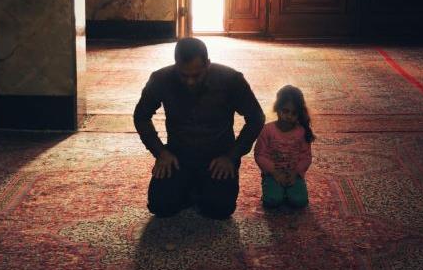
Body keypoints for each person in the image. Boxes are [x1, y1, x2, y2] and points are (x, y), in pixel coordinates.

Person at [134, 37, 265, 220]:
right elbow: (141, 116)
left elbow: (256, 118)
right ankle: (191, 187)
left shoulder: (231, 80)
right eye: (183, 75)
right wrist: (161, 152)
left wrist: (231, 156)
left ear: (208, 65)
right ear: (176, 65)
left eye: (196, 75)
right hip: (178, 156)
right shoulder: (161, 79)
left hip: (217, 157)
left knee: (219, 210)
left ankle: (195, 189)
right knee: (161, 207)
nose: (190, 82)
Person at [254, 85, 315, 208]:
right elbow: (260, 154)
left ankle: (289, 191)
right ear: (277, 109)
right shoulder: (267, 130)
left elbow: (306, 156)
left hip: (293, 174)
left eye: (294, 113)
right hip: (272, 174)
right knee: (272, 200)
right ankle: (271, 186)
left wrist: (296, 173)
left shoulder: (301, 132)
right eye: (285, 111)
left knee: (300, 201)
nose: (289, 116)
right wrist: (274, 172)